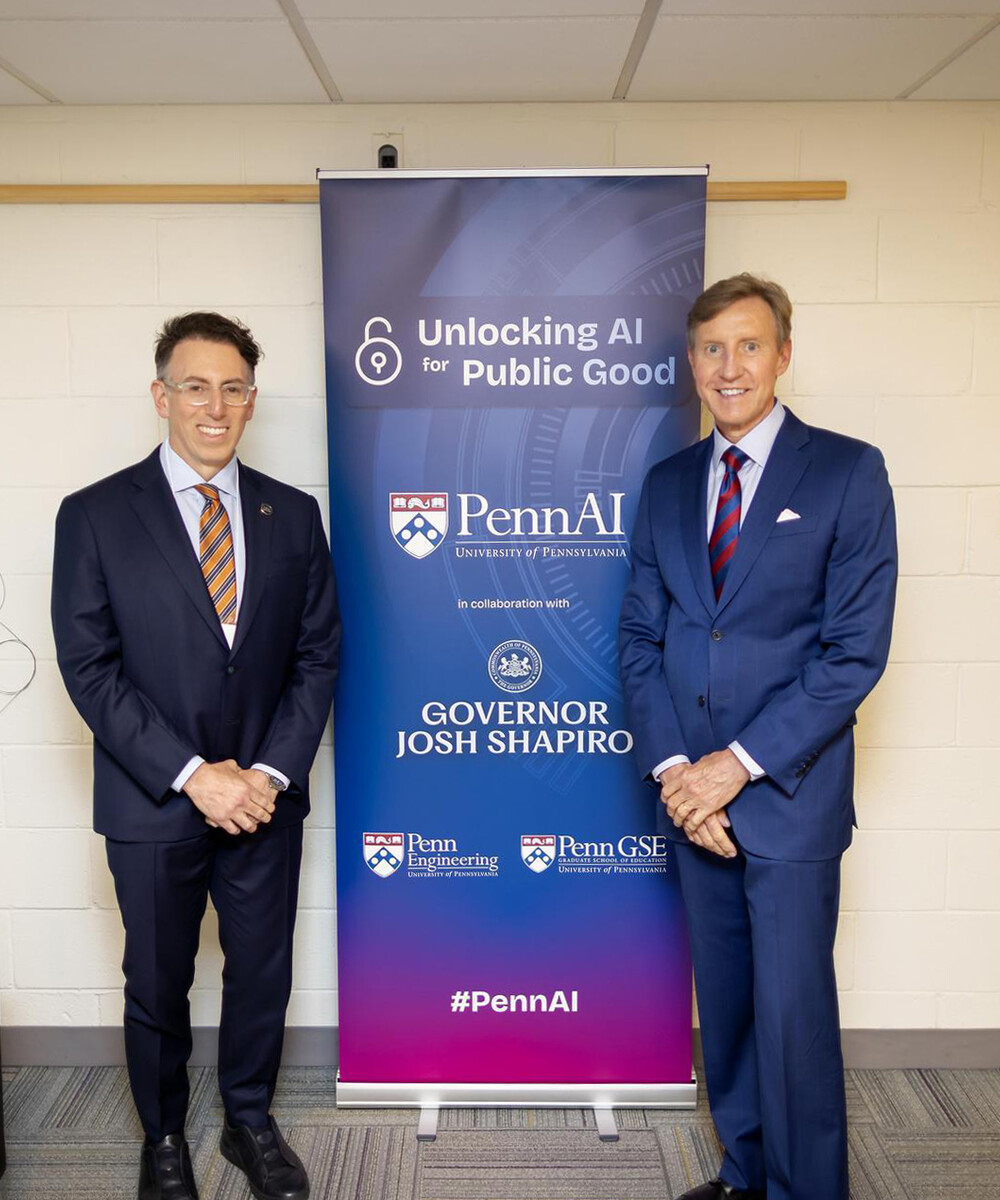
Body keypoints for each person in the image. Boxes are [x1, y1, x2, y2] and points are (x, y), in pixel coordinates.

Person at [619, 275, 896, 1200]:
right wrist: (675, 774)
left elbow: (854, 654)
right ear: (691, 363)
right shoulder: (665, 486)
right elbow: (640, 641)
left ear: (783, 353)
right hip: (692, 804)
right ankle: (745, 1172)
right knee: (730, 1011)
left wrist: (730, 769)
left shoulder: (849, 471)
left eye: (748, 346)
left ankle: (807, 1190)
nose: (728, 367)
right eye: (710, 349)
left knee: (792, 1018)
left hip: (786, 798)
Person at [51, 312, 341, 1200]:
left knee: (261, 971)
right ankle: (165, 1137)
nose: (213, 406)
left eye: (232, 388)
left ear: (251, 401)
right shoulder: (95, 514)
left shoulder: (293, 515)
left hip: (263, 798)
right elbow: (89, 667)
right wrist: (194, 775)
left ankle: (249, 1122)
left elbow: (317, 654)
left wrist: (267, 774)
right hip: (154, 801)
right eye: (194, 386)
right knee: (158, 976)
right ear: (160, 395)